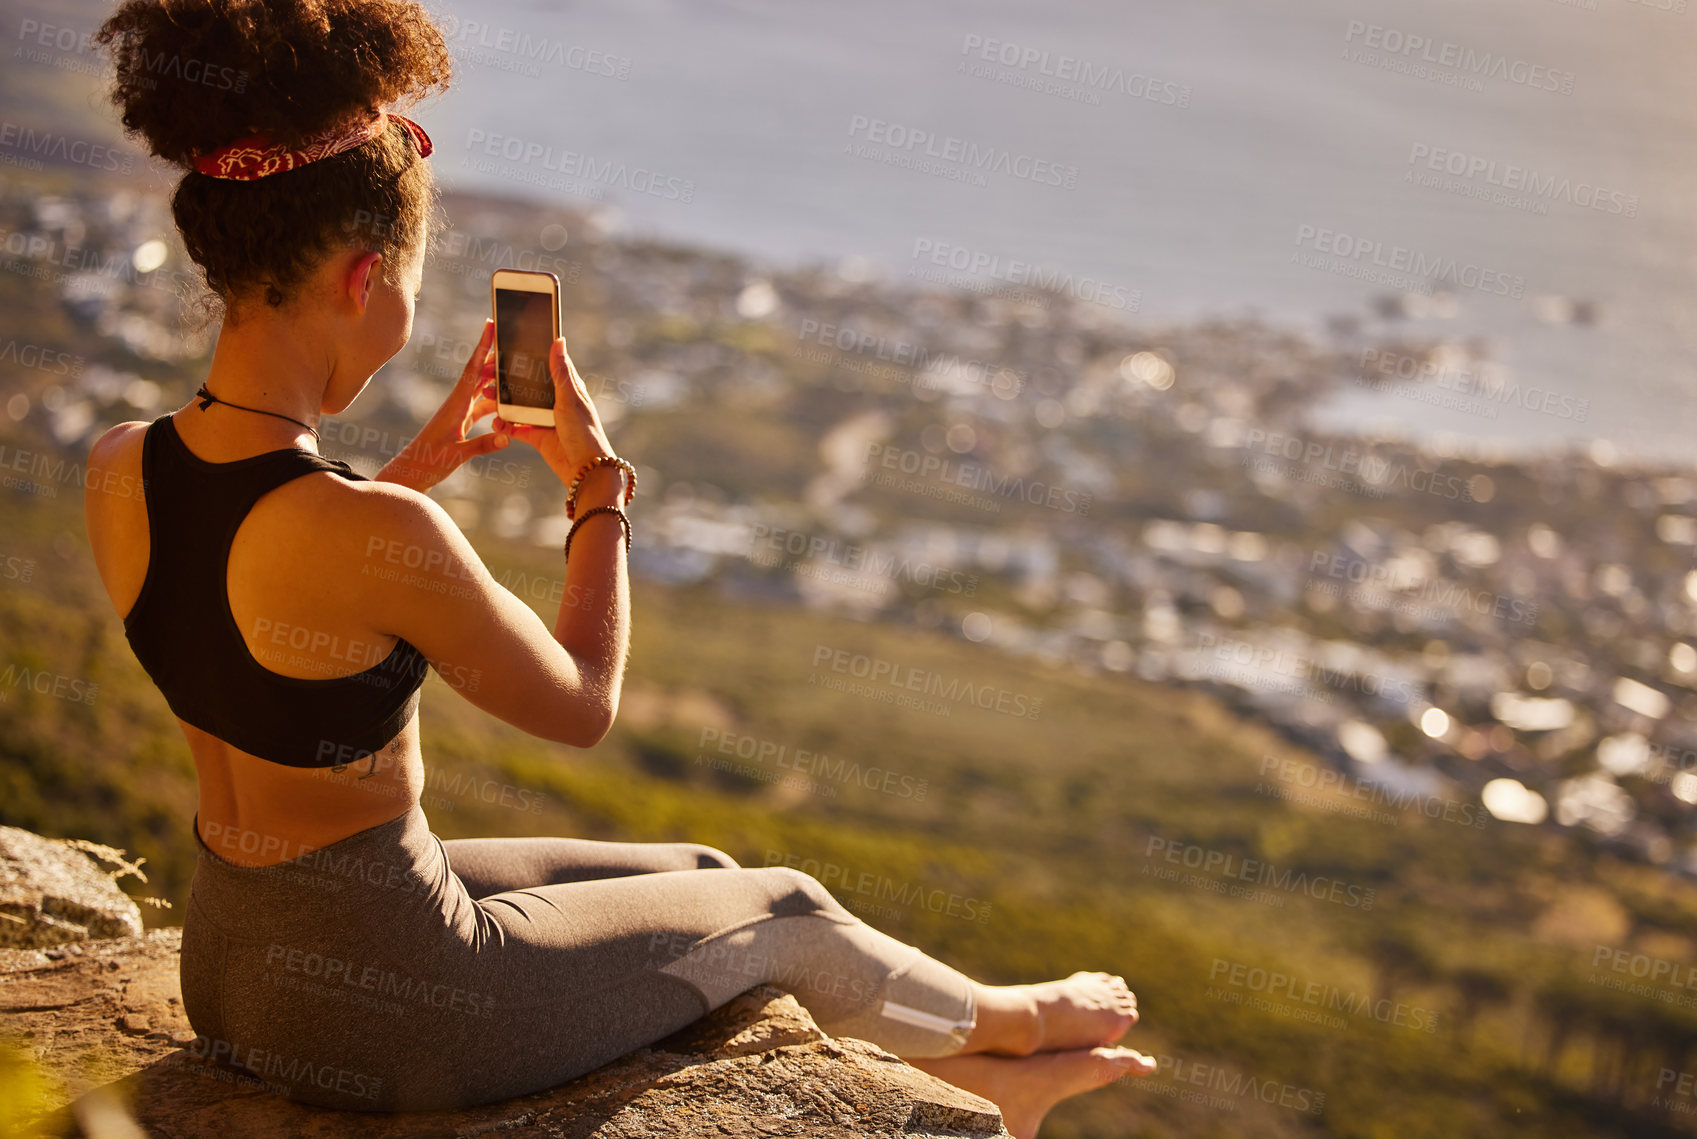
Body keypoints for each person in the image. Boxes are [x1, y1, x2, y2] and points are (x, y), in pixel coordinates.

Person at [81, 2, 1154, 1135]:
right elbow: (581, 703)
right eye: (407, 279)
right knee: (782, 905)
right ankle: (1012, 1022)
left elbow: (273, 568)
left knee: (696, 865)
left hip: (232, 963)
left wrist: (435, 454)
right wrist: (597, 489)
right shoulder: (377, 536)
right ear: (362, 278)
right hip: (387, 1010)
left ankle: (985, 1085)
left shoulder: (121, 467)